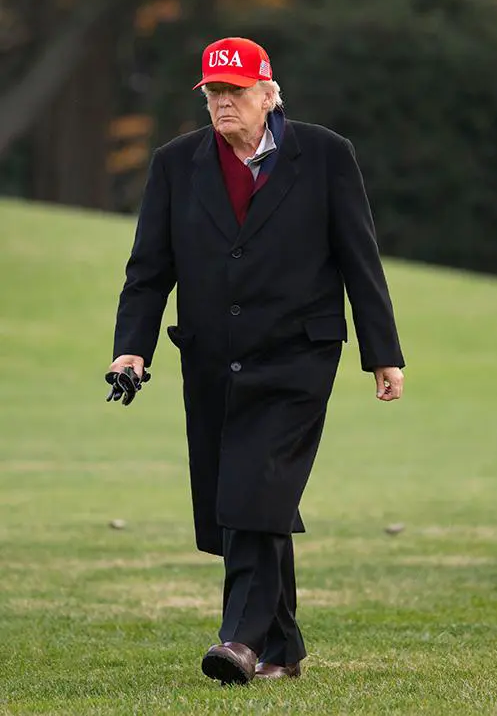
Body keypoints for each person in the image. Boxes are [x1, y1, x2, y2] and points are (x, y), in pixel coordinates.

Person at [106, 36, 406, 684]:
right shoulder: (174, 163)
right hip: (212, 359)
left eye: (235, 92)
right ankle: (284, 648)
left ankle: (238, 641)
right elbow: (149, 269)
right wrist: (131, 347)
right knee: (243, 499)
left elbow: (361, 258)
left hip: (299, 356)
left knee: (253, 489)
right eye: (213, 93)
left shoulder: (326, 155)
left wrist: (384, 353)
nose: (222, 104)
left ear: (269, 94)